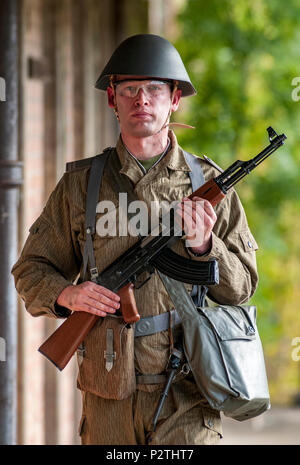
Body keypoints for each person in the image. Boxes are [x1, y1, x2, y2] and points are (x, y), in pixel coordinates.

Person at [11, 34, 258, 445]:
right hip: (107, 399)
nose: (142, 99)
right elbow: (30, 271)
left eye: (154, 89)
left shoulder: (209, 184)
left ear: (174, 98)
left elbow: (243, 288)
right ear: (113, 99)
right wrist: (69, 297)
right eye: (129, 89)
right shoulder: (82, 185)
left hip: (188, 394)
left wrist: (204, 246)